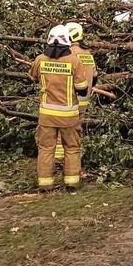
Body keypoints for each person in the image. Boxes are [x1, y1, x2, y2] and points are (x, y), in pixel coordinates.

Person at [29, 25, 90, 192]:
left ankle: (45, 185)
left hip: (47, 115)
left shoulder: (40, 59)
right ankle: (71, 184)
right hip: (68, 116)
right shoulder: (74, 61)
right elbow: (83, 88)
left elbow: (33, 78)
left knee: (46, 149)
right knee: (71, 148)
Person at [55, 22, 98, 167]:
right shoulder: (88, 54)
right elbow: (95, 76)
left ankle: (60, 160)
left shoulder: (68, 53)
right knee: (76, 131)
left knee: (63, 131)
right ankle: (74, 161)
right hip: (84, 101)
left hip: (69, 100)